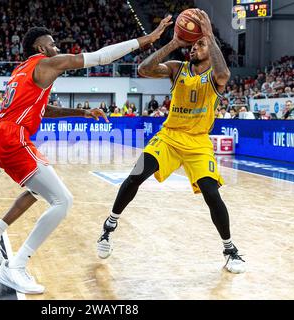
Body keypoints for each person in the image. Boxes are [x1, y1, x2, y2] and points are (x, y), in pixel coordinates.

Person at [0, 20, 170, 294]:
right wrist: (145, 40)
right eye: (52, 43)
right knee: (63, 200)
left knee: (35, 190)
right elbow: (99, 56)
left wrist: (83, 112)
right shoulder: (46, 62)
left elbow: (44, 110)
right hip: (12, 137)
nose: (57, 47)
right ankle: (15, 266)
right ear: (41, 47)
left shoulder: (22, 70)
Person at [96, 9, 245, 274]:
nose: (194, 47)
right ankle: (109, 226)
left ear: (210, 48)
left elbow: (224, 75)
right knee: (134, 176)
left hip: (198, 143)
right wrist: (175, 42)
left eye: (200, 44)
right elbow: (144, 69)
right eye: (194, 43)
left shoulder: (214, 76)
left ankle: (230, 249)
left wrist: (209, 35)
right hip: (169, 137)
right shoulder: (178, 69)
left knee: (212, 193)